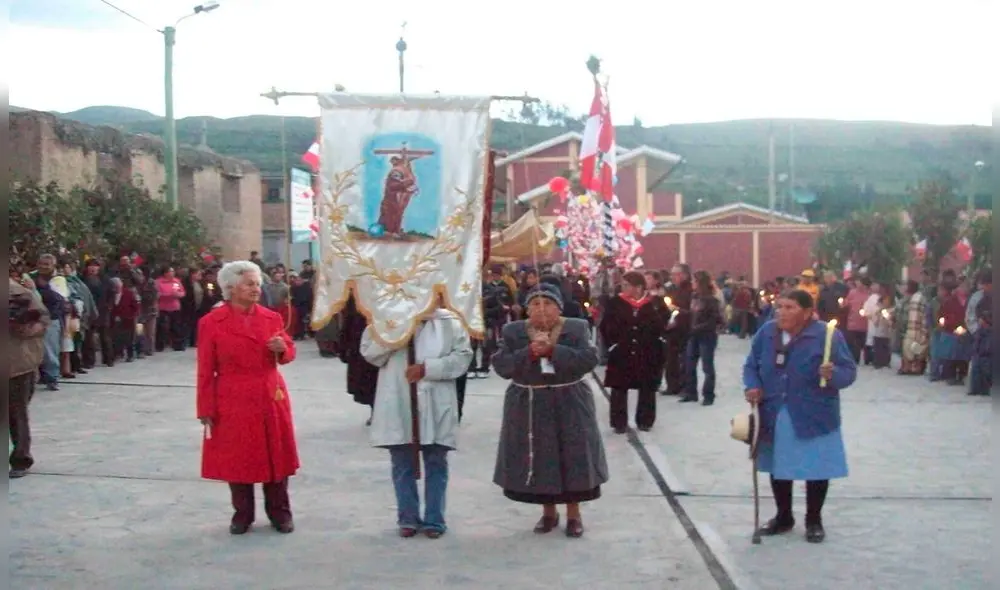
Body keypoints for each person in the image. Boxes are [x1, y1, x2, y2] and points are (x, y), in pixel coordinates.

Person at [492, 283, 609, 538]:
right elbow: (502, 366)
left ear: (558, 307)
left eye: (548, 304)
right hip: (530, 401)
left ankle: (574, 514)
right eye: (535, 304)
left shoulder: (577, 328)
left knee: (573, 455)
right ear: (526, 309)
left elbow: (588, 360)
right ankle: (548, 512)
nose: (541, 309)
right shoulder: (513, 332)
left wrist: (555, 351)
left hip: (569, 399)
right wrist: (529, 353)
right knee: (541, 456)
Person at [743, 289, 857, 544]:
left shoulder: (827, 335)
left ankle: (813, 520)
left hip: (814, 412)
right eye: (780, 306)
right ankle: (783, 517)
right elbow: (751, 364)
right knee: (778, 465)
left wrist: (833, 373)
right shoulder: (767, 332)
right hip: (775, 409)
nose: (782, 312)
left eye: (790, 307)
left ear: (807, 312)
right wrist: (752, 385)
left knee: (816, 467)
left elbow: (849, 372)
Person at [196, 261, 300, 535]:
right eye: (250, 284)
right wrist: (205, 407)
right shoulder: (211, 323)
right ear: (230, 288)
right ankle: (242, 513)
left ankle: (280, 512)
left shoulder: (271, 317)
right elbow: (205, 369)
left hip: (269, 392)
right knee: (239, 457)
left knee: (276, 454)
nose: (256, 289)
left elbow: (287, 350)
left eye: (258, 284)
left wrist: (283, 349)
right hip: (232, 396)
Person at [360, 293, 472, 538]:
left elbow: (463, 357)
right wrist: (396, 335)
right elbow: (369, 352)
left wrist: (428, 368)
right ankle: (407, 518)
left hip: (436, 400)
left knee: (436, 461)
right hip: (399, 400)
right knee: (402, 463)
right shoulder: (387, 319)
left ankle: (434, 520)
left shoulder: (449, 322)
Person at [600, 271, 667, 432]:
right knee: (619, 387)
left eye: (626, 285)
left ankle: (645, 420)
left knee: (647, 387)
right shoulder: (615, 303)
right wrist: (612, 344)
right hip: (622, 351)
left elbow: (662, 323)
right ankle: (619, 422)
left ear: (638, 287)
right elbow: (605, 325)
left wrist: (659, 339)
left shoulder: (654, 303)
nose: (622, 288)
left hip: (647, 351)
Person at [9, 274, 51, 478]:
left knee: (17, 414)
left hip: (17, 363)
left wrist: (28, 328)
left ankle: (21, 459)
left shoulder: (19, 292)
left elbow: (43, 319)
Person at [685, 270, 724, 405]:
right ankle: (691, 392)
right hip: (693, 335)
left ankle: (708, 395)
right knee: (689, 364)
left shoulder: (712, 300)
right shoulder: (694, 297)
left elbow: (715, 320)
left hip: (707, 336)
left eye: (694, 281)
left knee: (707, 366)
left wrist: (698, 327)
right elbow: (691, 315)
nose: (692, 283)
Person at [899, 280, 930, 375]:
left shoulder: (918, 299)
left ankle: (915, 368)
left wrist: (924, 330)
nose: (902, 287)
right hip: (909, 328)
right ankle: (908, 367)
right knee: (909, 348)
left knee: (915, 348)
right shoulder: (907, 299)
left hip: (915, 328)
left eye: (905, 285)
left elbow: (923, 315)